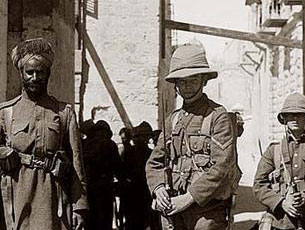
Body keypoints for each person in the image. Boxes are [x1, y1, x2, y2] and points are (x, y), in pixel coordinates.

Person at [145, 44, 241, 229]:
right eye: (182, 81)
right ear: (176, 84)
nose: (187, 86)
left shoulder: (217, 115)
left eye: (193, 80)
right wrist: (158, 189)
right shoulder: (172, 120)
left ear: (204, 80)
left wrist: (189, 198)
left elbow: (221, 165)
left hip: (207, 213)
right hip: (174, 210)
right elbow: (154, 163)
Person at [0, 38, 88, 230]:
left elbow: (76, 162)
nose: (34, 77)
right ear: (21, 74)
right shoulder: (6, 112)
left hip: (53, 197)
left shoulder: (64, 113)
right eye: (29, 72)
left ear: (48, 73)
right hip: (15, 196)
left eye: (40, 72)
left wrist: (79, 207)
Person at [253, 92, 305, 229]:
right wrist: (281, 202)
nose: (294, 118)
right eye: (289, 114)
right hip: (281, 222)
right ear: (284, 119)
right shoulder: (274, 151)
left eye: (299, 114)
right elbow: (259, 185)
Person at [82, 120, 122, 230]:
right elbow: (118, 167)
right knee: (104, 222)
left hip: (87, 189)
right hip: (105, 189)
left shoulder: (84, 144)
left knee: (89, 221)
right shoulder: (110, 144)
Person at [121, 121, 154, 230]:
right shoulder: (148, 153)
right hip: (138, 192)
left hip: (137, 193)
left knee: (135, 222)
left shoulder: (129, 152)